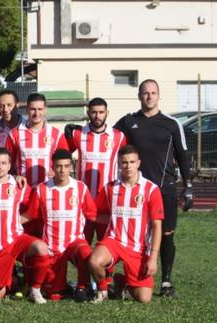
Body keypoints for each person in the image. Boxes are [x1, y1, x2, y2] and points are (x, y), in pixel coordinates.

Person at [113, 79, 193, 298]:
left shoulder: (171, 123)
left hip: (164, 189)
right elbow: (107, 139)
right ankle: (130, 277)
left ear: (159, 95)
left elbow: (183, 156)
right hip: (134, 191)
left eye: (153, 92)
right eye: (145, 93)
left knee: (166, 233)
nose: (149, 96)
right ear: (139, 96)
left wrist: (188, 186)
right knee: (133, 235)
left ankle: (166, 282)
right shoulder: (129, 121)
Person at [0, 148, 51, 304]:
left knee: (41, 248)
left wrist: (14, 220)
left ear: (9, 166)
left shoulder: (17, 185)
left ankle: (35, 290)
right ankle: (13, 281)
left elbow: (33, 210)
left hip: (16, 239)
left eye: (3, 163)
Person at [89, 145, 164, 303]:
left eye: (131, 162)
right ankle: (103, 291)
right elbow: (96, 213)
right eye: (124, 162)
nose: (128, 166)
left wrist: (153, 257)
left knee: (144, 298)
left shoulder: (151, 189)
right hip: (114, 241)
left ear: (138, 163)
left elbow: (157, 226)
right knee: (94, 261)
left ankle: (121, 281)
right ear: (118, 163)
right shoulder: (110, 188)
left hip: (138, 247)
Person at [22, 149, 97, 302]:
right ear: (53, 167)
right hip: (51, 247)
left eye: (66, 166)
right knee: (54, 295)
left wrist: (116, 218)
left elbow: (92, 214)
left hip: (73, 242)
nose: (62, 170)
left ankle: (83, 286)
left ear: (71, 167)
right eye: (58, 166)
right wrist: (8, 221)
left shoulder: (80, 188)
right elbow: (30, 215)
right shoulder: (42, 189)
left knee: (85, 251)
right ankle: (61, 286)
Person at [65, 97, 126, 243]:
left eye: (101, 112)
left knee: (105, 245)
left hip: (107, 200)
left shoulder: (118, 137)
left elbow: (128, 162)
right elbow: (61, 155)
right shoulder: (77, 135)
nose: (97, 116)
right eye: (93, 112)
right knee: (82, 246)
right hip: (82, 200)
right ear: (88, 113)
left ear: (107, 113)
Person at [6, 93, 68, 188]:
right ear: (27, 110)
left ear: (45, 109)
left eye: (40, 109)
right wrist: (15, 177)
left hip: (49, 189)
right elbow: (7, 162)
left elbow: (65, 163)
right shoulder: (14, 134)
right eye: (32, 109)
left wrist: (57, 173)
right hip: (23, 189)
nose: (36, 113)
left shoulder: (57, 134)